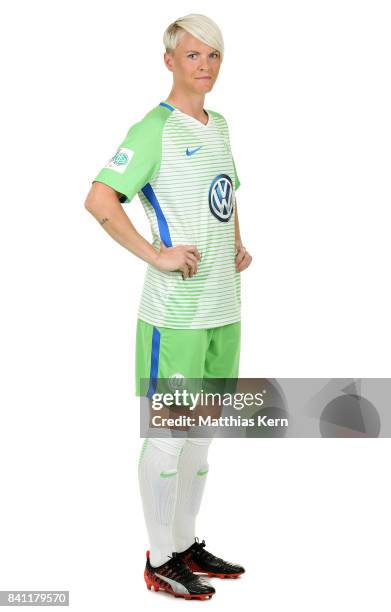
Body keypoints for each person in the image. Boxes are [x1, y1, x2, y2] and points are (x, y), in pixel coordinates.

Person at [85, 13, 252, 600]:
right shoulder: (152, 128)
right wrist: (154, 254)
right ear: (170, 61)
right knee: (169, 435)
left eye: (213, 57)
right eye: (192, 56)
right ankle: (159, 561)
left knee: (203, 434)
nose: (204, 67)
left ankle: (185, 546)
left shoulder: (220, 125)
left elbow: (225, 192)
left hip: (223, 307)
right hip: (176, 314)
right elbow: (100, 198)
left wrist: (235, 243)